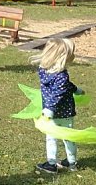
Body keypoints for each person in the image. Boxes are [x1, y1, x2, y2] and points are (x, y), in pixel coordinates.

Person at [33, 38, 82, 174]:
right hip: (64, 112)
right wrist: (50, 109)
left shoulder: (45, 71)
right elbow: (60, 91)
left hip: (53, 112)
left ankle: (52, 163)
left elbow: (61, 90)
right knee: (68, 137)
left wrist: (75, 89)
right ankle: (70, 162)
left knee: (53, 137)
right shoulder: (61, 75)